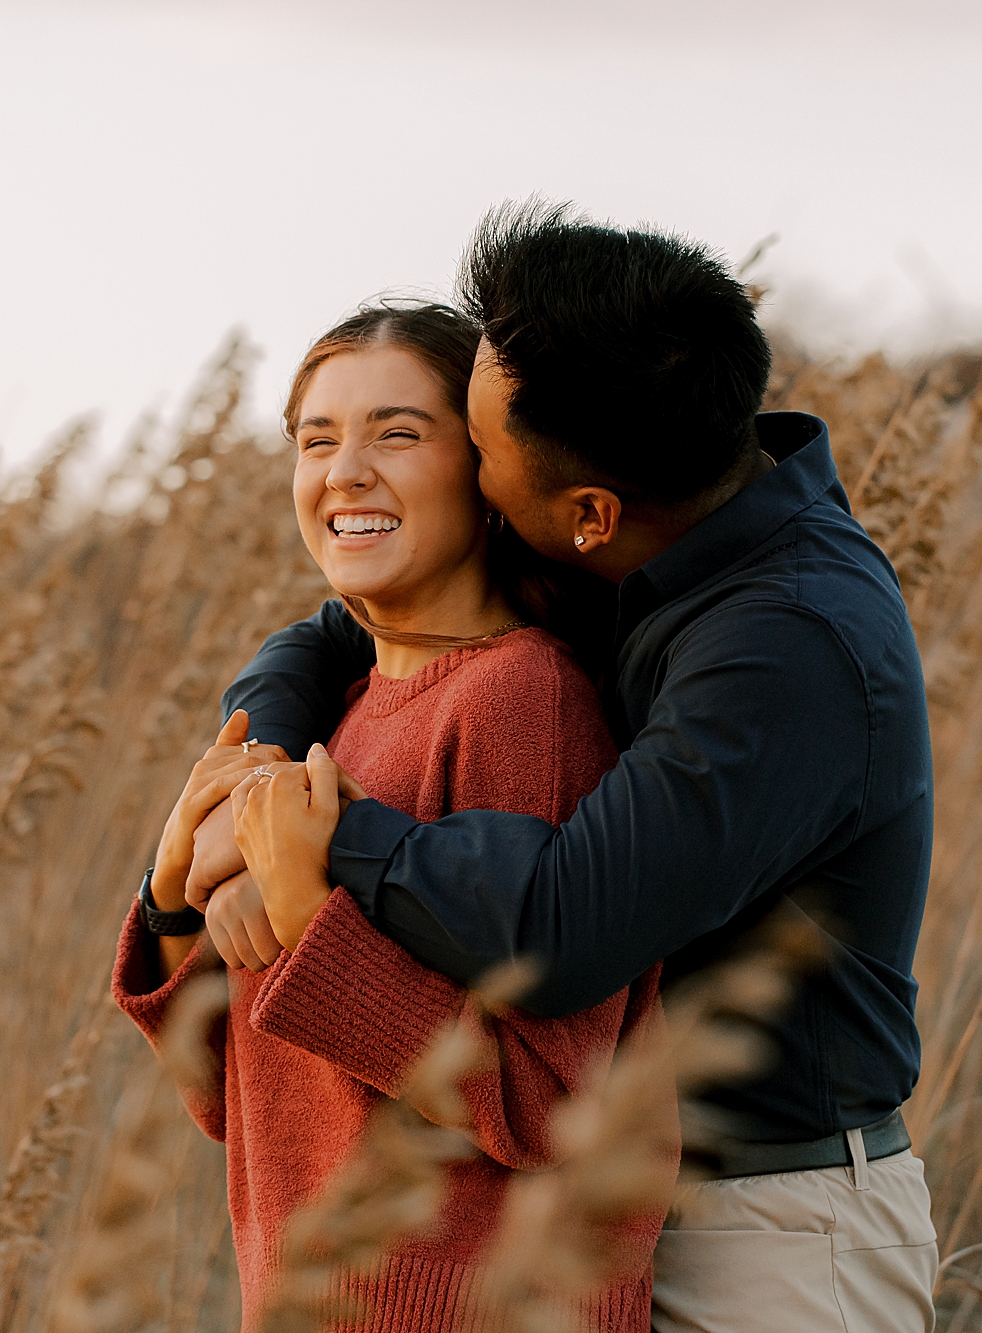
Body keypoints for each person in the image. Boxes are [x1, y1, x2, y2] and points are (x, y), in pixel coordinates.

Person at [186, 204, 940, 1333]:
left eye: (472, 452)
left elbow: (559, 922)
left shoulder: (786, 647)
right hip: (613, 1206)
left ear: (586, 514)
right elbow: (325, 635)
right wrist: (257, 772)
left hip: (771, 1230)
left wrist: (314, 833)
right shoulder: (654, 525)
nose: (473, 489)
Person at [111, 301, 670, 1333]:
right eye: (316, 440)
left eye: (396, 433)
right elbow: (250, 1109)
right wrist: (173, 900)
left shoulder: (519, 700)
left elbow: (556, 1107)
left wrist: (297, 913)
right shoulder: (338, 717)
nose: (344, 471)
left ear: (486, 470)